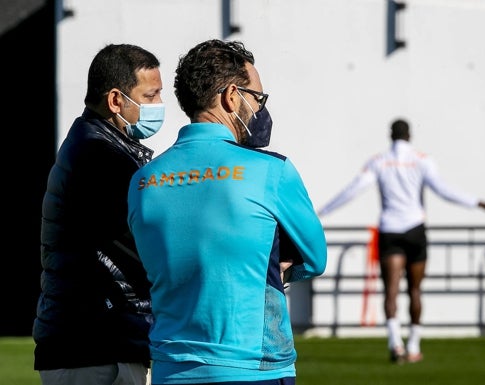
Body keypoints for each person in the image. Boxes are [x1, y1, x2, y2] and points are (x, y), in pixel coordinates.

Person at [127, 39, 327, 385]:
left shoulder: (143, 179)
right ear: (232, 97)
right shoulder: (271, 170)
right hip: (253, 366)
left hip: (170, 367)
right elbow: (315, 259)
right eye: (258, 98)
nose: (260, 110)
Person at [316, 118, 485, 363]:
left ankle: (395, 344)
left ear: (390, 135)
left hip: (390, 230)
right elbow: (444, 190)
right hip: (415, 229)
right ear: (410, 135)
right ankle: (413, 346)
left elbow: (354, 189)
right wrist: (478, 202)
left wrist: (321, 212)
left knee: (390, 291)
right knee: (415, 290)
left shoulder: (379, 161)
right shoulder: (421, 160)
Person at [34, 43, 165, 385]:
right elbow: (147, 247)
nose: (158, 106)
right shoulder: (99, 155)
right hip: (96, 342)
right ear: (116, 100)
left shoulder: (96, 145)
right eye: (150, 96)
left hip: (92, 337)